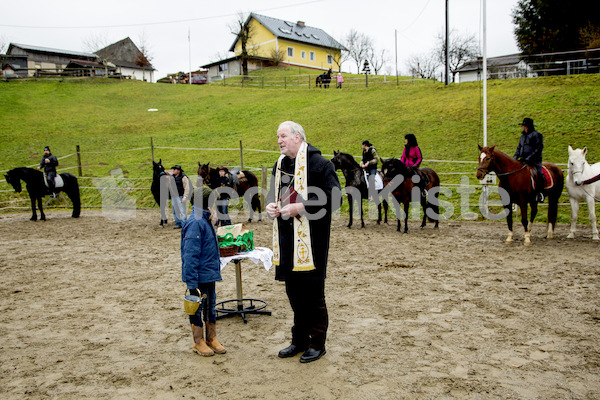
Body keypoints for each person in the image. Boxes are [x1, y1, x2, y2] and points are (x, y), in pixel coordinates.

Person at [266, 121, 341, 364]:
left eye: (283, 136)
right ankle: (299, 340)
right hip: (287, 240)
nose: (279, 140)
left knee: (313, 294)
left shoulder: (321, 164)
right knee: (293, 292)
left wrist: (302, 207)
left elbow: (336, 198)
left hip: (313, 241)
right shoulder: (280, 165)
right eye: (278, 136)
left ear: (297, 137)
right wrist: (271, 206)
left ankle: (317, 343)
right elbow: (275, 195)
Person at [181, 186, 226, 357]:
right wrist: (191, 281)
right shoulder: (195, 223)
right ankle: (198, 341)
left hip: (209, 273)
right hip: (198, 276)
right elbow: (190, 255)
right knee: (197, 308)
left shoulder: (205, 219)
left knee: (210, 306)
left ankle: (211, 337)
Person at [514, 117, 545, 202]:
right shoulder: (522, 136)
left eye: (523, 126)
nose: (522, 127)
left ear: (526, 126)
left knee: (539, 174)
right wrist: (514, 159)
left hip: (535, 161)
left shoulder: (537, 135)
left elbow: (538, 148)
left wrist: (529, 158)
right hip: (523, 160)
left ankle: (540, 193)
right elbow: (518, 148)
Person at [170, 165, 193, 229]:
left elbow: (187, 187)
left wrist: (185, 196)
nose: (173, 170)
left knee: (182, 211)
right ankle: (178, 223)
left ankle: (184, 224)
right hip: (174, 196)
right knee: (175, 210)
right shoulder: (172, 177)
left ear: (178, 170)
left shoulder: (183, 177)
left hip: (180, 196)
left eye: (175, 169)